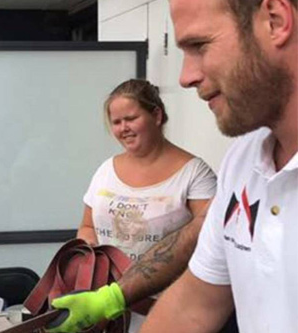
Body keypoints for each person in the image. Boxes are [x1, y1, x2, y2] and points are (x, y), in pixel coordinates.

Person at [141, 0, 297, 331]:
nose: (186, 77)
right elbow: (192, 307)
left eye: (199, 45)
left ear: (275, 20)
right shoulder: (243, 161)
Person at [48, 79, 216, 332]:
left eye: (131, 118)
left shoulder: (195, 174)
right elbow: (86, 226)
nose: (123, 128)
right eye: (116, 122)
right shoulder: (106, 170)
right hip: (103, 309)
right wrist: (89, 261)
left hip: (163, 313)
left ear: (156, 115)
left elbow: (211, 240)